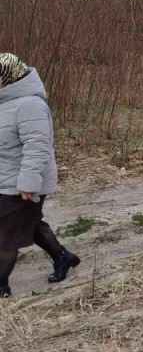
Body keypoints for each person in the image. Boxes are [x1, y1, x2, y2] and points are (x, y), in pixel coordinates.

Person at [0, 54, 80, 297]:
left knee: (7, 235)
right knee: (29, 224)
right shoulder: (5, 101)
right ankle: (63, 257)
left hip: (22, 183)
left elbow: (38, 147)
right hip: (6, 178)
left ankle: (1, 286)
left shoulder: (30, 104)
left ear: (7, 76)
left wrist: (28, 183)